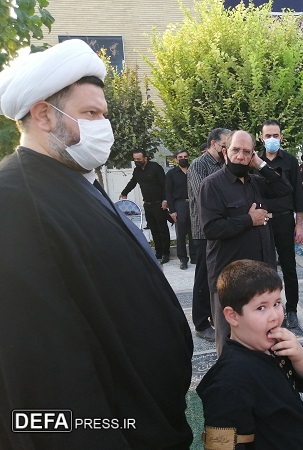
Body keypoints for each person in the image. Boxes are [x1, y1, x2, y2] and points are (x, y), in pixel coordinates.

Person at [0, 39, 192, 448]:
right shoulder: (14, 199)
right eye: (89, 113)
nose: (103, 125)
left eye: (102, 114)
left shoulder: (72, 179)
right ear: (43, 116)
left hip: (150, 417)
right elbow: (42, 371)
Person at [196, 259, 303, 450]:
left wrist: (300, 356)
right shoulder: (228, 382)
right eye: (261, 307)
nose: (275, 316)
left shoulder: (273, 347)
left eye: (277, 303)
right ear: (232, 316)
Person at [199, 130, 292, 355]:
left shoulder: (256, 182)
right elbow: (211, 228)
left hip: (260, 276)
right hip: (228, 279)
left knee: (261, 339)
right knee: (229, 342)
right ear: (225, 152)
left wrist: (260, 165)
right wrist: (249, 220)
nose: (241, 156)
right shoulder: (212, 185)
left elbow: (284, 189)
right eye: (236, 150)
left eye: (247, 152)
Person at [259, 119, 303, 329]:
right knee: (264, 268)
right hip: (262, 222)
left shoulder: (289, 161)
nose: (271, 139)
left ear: (281, 137)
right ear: (261, 138)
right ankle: (266, 309)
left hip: (285, 220)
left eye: (275, 135)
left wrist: (299, 225)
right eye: (267, 136)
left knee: (289, 267)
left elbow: (297, 193)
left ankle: (292, 309)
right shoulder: (254, 161)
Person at [188, 128, 231, 341]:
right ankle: (201, 322)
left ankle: (216, 317)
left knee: (219, 277)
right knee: (204, 277)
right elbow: (204, 198)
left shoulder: (225, 165)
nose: (227, 149)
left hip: (222, 230)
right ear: (213, 143)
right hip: (204, 231)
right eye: (225, 145)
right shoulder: (198, 165)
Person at [120, 149, 171, 264]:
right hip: (147, 205)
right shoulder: (137, 171)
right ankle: (158, 252)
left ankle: (166, 253)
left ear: (145, 158)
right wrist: (124, 193)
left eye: (139, 159)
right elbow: (132, 182)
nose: (136, 161)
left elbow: (165, 184)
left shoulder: (155, 168)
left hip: (159, 204)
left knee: (162, 229)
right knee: (153, 229)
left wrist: (165, 200)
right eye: (135, 159)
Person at [166, 149, 196, 270]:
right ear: (176, 159)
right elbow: (168, 193)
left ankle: (195, 257)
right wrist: (172, 210)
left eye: (185, 156)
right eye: (180, 157)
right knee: (181, 234)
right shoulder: (171, 174)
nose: (183, 158)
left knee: (194, 233)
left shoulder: (194, 171)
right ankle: (183, 259)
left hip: (194, 204)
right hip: (179, 205)